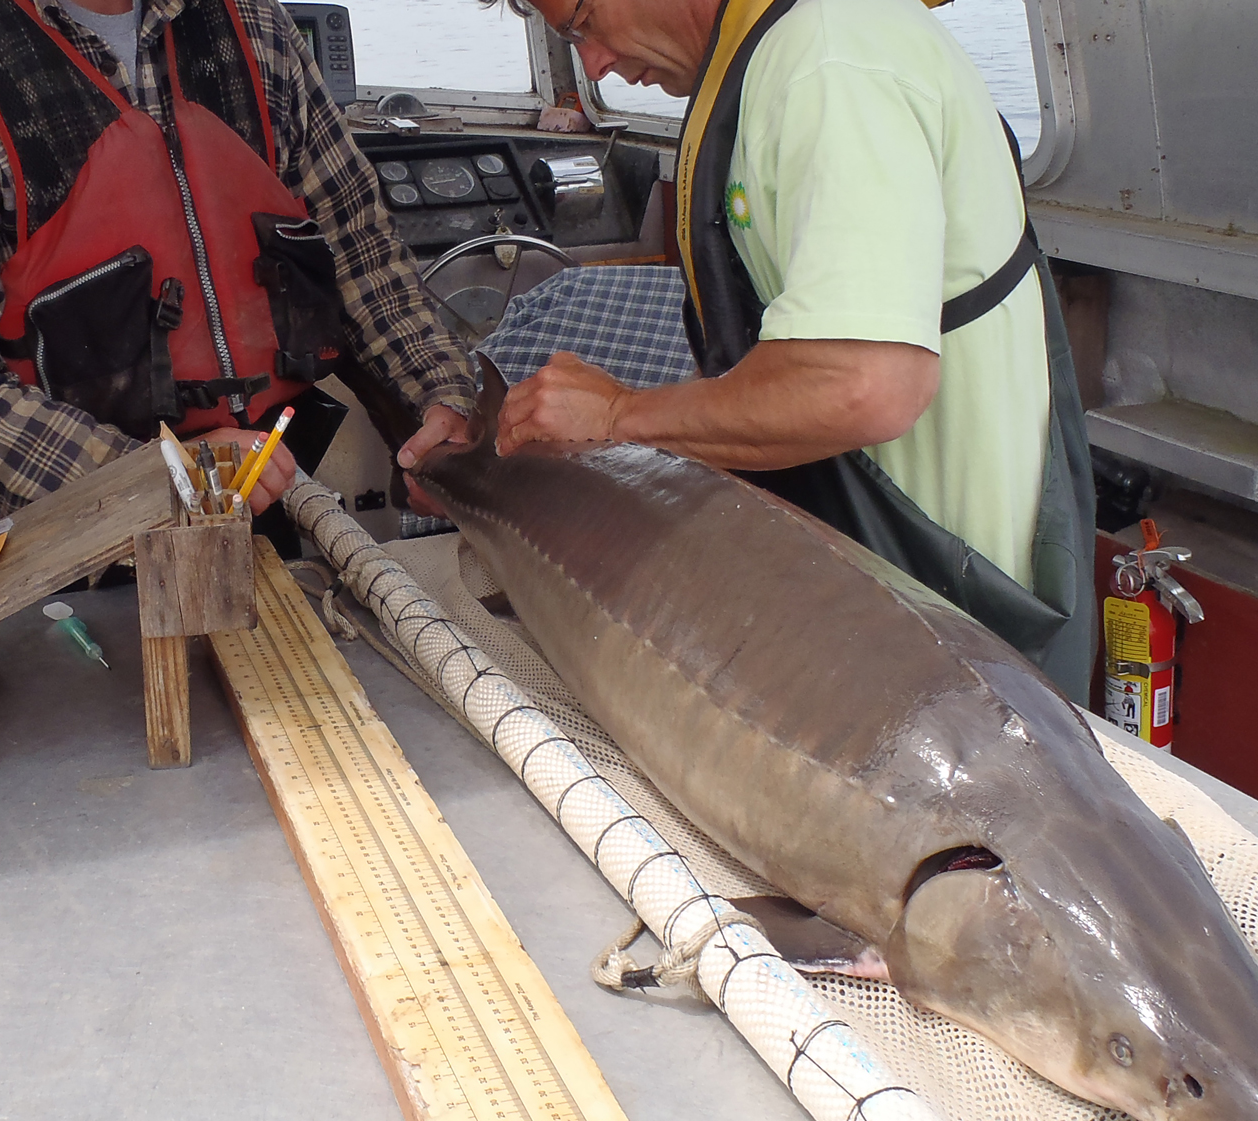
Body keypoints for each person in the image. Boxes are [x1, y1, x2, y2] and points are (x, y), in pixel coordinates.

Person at [408, 0, 1096, 695]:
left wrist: (618, 417)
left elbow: (863, 383)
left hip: (953, 615)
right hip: (867, 578)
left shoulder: (831, 59)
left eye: (583, 23)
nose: (593, 65)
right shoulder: (770, 60)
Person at [0, 0, 477, 521]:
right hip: (58, 550)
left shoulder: (257, 28)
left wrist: (440, 405)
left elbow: (361, 261)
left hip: (272, 500)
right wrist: (161, 480)